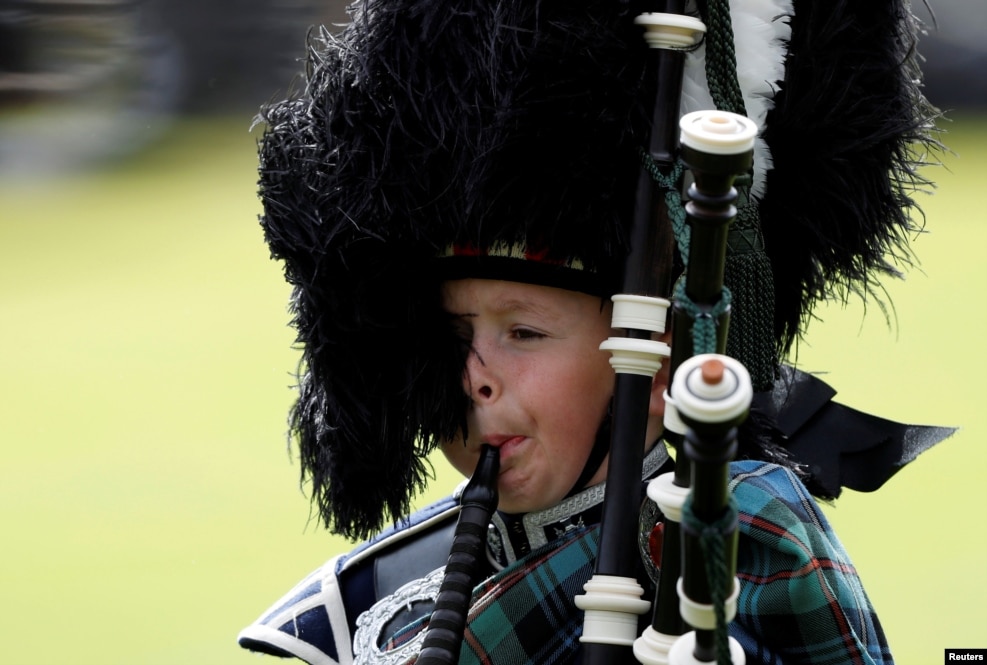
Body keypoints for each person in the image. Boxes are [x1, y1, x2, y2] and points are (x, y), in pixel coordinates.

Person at [237, 0, 950, 663]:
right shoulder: (363, 602)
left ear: (663, 356)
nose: (473, 374)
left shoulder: (747, 540)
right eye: (453, 333)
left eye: (523, 333)